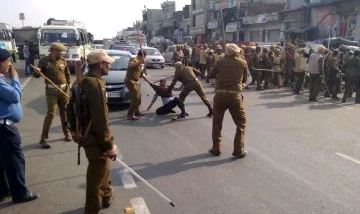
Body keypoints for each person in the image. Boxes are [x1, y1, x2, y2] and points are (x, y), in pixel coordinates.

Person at [70, 49, 118, 214]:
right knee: (96, 175)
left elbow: (69, 108)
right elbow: (101, 119)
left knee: (103, 166)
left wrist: (74, 130)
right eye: (108, 64)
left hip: (85, 135)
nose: (109, 67)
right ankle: (91, 210)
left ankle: (106, 196)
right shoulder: (96, 85)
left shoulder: (80, 81)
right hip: (94, 137)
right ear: (100, 64)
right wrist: (108, 145)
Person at [0, 48, 39, 203]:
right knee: (15, 160)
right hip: (4, 128)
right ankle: (19, 193)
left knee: (3, 161)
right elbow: (15, 96)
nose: (10, 64)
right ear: (1, 63)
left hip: (3, 127)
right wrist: (15, 78)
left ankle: (4, 191)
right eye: (8, 61)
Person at [208, 44, 247, 158]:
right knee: (241, 122)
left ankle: (216, 148)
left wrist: (221, 77)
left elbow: (211, 75)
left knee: (217, 123)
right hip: (235, 96)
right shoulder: (242, 62)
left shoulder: (220, 62)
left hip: (220, 95)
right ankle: (238, 150)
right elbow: (244, 79)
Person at [33, 43, 71, 149]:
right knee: (51, 113)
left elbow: (67, 75)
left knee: (64, 112)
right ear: (53, 51)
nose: (61, 53)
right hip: (51, 91)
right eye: (59, 51)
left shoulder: (63, 60)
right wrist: (37, 72)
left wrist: (68, 86)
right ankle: (43, 139)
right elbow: (36, 76)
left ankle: (66, 134)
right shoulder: (44, 61)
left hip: (63, 90)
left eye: (61, 52)